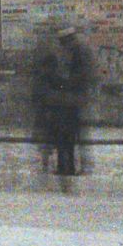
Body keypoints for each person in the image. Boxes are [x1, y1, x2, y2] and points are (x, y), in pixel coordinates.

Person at [32, 23, 93, 182]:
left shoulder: (77, 53)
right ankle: (66, 166)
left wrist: (60, 84)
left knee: (66, 135)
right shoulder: (77, 51)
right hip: (70, 100)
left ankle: (66, 167)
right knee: (68, 135)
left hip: (69, 100)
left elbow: (75, 78)